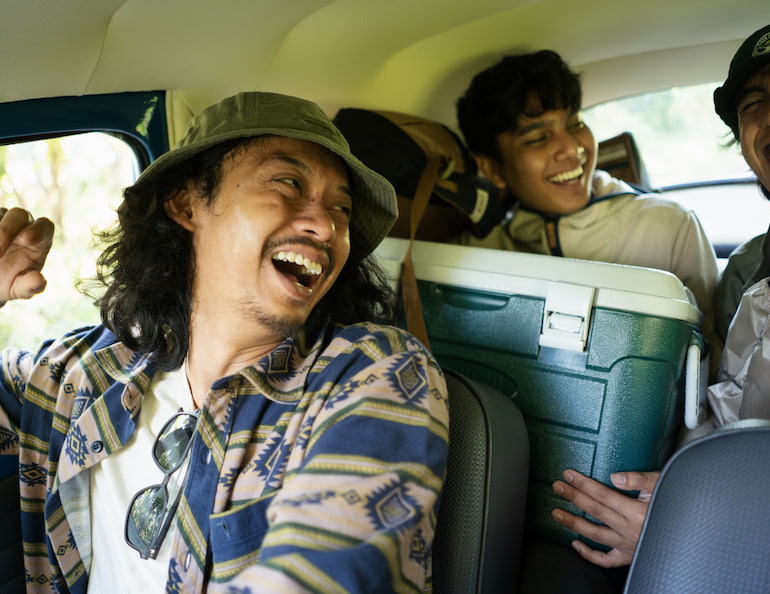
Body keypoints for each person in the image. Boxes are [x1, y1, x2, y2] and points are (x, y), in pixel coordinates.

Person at [0, 91, 449, 593]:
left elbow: (325, 575)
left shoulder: (371, 373)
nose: (325, 226)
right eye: (289, 183)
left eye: (341, 208)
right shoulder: (91, 370)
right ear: (186, 202)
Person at [551, 14, 770, 582]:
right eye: (753, 104)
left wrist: (693, 522)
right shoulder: (747, 272)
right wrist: (664, 498)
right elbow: (721, 409)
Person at [453, 50, 720, 361]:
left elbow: (709, 355)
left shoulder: (669, 225)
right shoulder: (472, 254)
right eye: (538, 138)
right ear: (493, 169)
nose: (571, 148)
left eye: (575, 123)